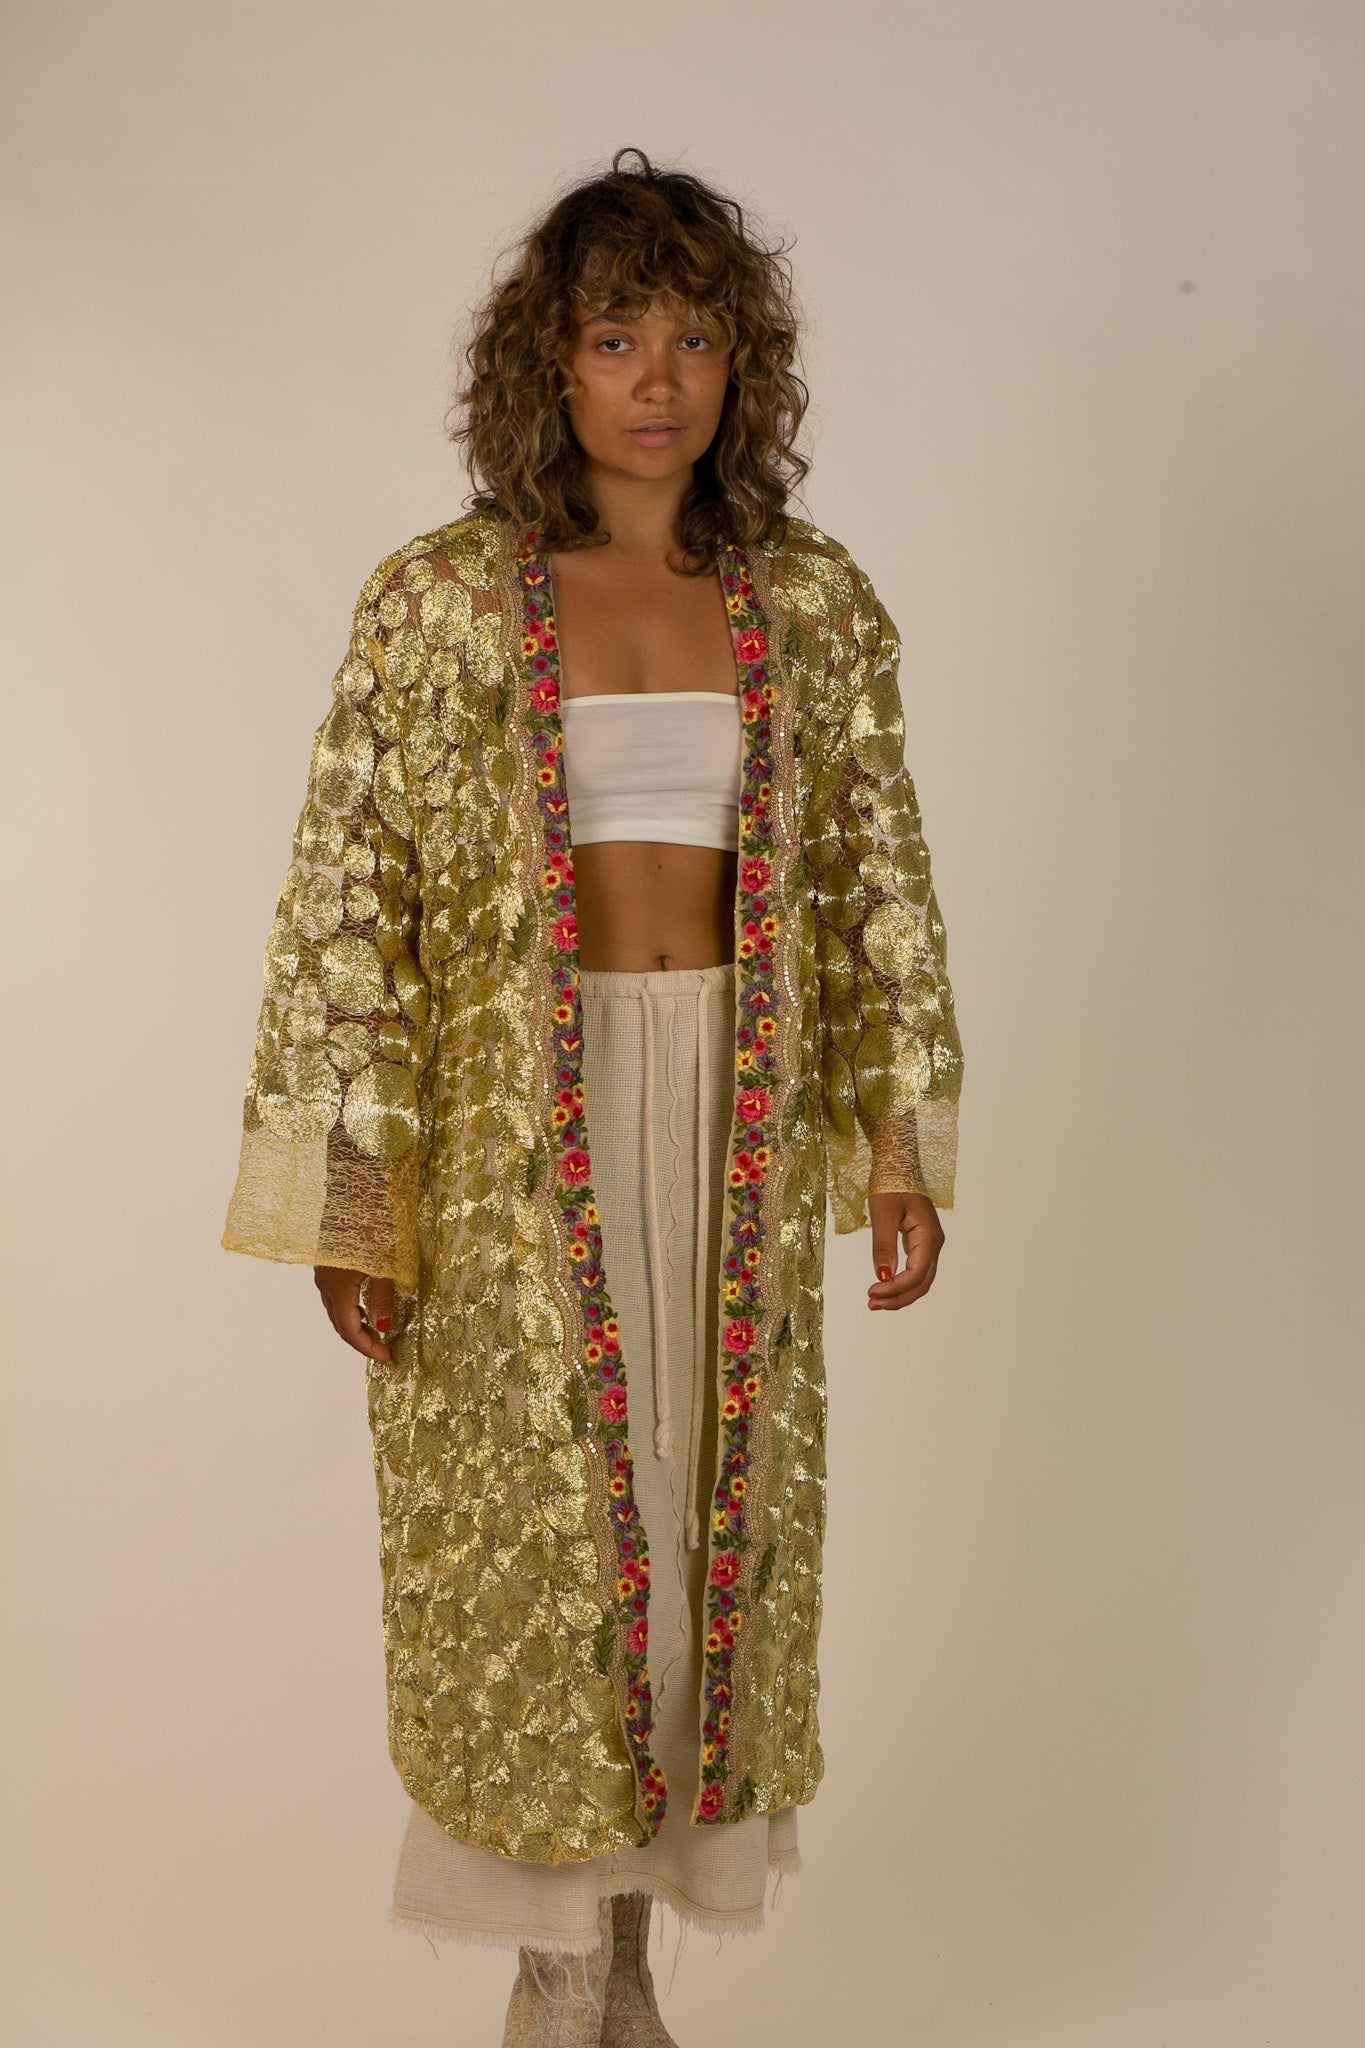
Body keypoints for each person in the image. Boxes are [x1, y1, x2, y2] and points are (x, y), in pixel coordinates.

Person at [222, 147, 963, 2047]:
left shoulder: (806, 601)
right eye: (616, 336)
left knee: (698, 1522)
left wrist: (895, 1142)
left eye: (694, 338)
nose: (658, 379)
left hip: (731, 1114)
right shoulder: (443, 604)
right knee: (546, 1536)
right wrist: (355, 1196)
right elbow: (349, 901)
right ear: (546, 363)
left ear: (742, 367)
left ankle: (622, 1984)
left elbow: (873, 878)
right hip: (506, 1144)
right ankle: (560, 1983)